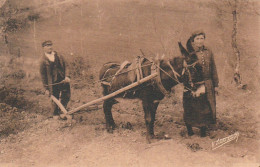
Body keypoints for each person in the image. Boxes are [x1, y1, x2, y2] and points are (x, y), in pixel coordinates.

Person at [183, 30, 219, 137]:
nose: (200, 41)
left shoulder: (209, 51)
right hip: (193, 84)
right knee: (191, 107)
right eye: (197, 39)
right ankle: (189, 129)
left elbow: (213, 68)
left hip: (207, 83)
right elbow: (185, 70)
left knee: (205, 107)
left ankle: (203, 130)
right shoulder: (190, 52)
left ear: (204, 39)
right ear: (193, 41)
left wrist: (215, 84)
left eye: (202, 38)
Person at [39, 40, 71, 118]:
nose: (50, 47)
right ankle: (55, 113)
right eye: (47, 46)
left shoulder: (59, 55)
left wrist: (67, 76)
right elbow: (43, 75)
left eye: (51, 45)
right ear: (43, 48)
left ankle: (62, 110)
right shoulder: (42, 60)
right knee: (54, 97)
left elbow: (67, 66)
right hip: (53, 82)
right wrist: (46, 88)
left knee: (66, 95)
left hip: (63, 80)